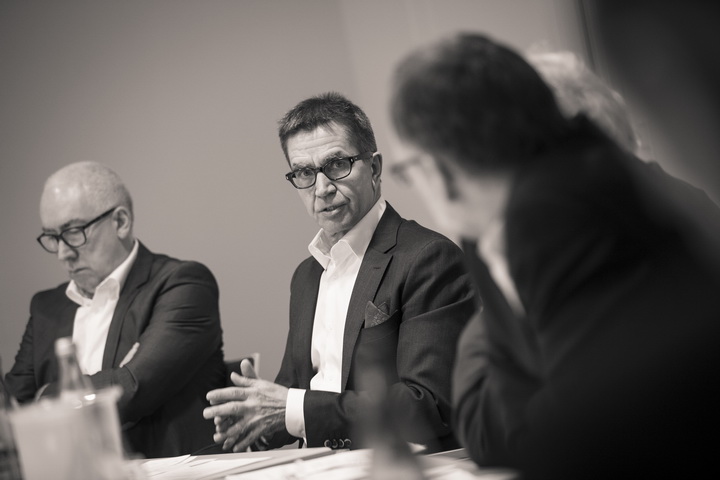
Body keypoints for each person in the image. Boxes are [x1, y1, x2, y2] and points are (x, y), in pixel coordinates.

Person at [389, 33, 720, 478]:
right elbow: (504, 432)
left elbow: (594, 431)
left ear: (437, 171)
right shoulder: (495, 231)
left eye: (406, 171)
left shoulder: (560, 207)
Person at [204, 92, 476, 453]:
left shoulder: (428, 258)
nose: (322, 189)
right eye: (304, 173)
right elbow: (296, 398)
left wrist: (292, 409)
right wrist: (254, 415)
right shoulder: (306, 276)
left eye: (337, 164)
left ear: (374, 168)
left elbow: (429, 403)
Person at [5, 162, 226, 458]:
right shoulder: (46, 307)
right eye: (53, 237)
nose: (63, 253)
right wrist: (111, 379)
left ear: (120, 221)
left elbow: (132, 388)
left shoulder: (182, 284)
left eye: (73, 232)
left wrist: (45, 395)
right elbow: (12, 408)